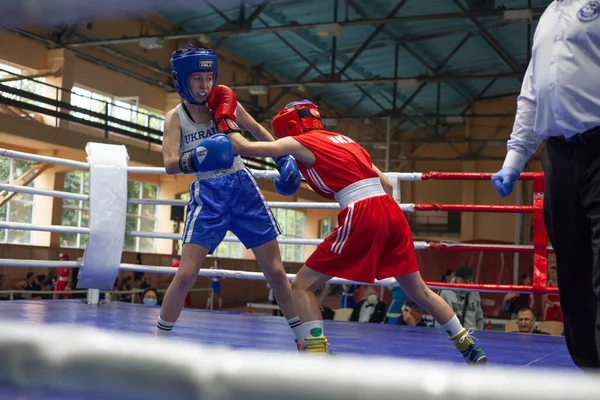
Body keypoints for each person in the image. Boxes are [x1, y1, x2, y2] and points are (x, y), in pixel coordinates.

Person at [226, 97, 486, 363]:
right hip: (391, 212)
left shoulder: (301, 141)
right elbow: (386, 184)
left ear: (291, 126)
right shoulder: (347, 141)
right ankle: (469, 348)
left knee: (302, 285)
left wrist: (225, 119)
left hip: (362, 211)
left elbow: (243, 147)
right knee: (420, 291)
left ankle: (316, 356)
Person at [155, 45, 305, 347]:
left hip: (242, 189)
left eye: (209, 77)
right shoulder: (176, 117)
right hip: (208, 194)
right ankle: (158, 341)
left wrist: (283, 157)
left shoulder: (225, 103)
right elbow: (170, 162)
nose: (205, 85)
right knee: (185, 275)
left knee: (276, 272)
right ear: (183, 80)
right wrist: (197, 158)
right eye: (197, 78)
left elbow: (259, 131)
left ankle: (305, 340)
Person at [490, 1, 600, 369]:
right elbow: (532, 91)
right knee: (571, 268)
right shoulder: (548, 18)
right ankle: (589, 369)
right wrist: (514, 158)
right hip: (559, 155)